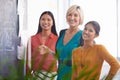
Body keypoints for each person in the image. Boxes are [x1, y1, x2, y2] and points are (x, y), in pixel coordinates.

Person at [26, 11, 58, 80]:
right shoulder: (32, 39)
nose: (45, 22)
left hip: (53, 76)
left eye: (48, 19)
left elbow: (61, 58)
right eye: (43, 19)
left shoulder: (57, 39)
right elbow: (28, 60)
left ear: (53, 23)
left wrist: (49, 51)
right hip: (36, 75)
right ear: (39, 21)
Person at [56, 5, 84, 80]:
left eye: (75, 15)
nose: (72, 18)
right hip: (60, 75)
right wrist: (48, 51)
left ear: (80, 18)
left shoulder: (83, 35)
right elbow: (60, 55)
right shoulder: (62, 32)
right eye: (70, 15)